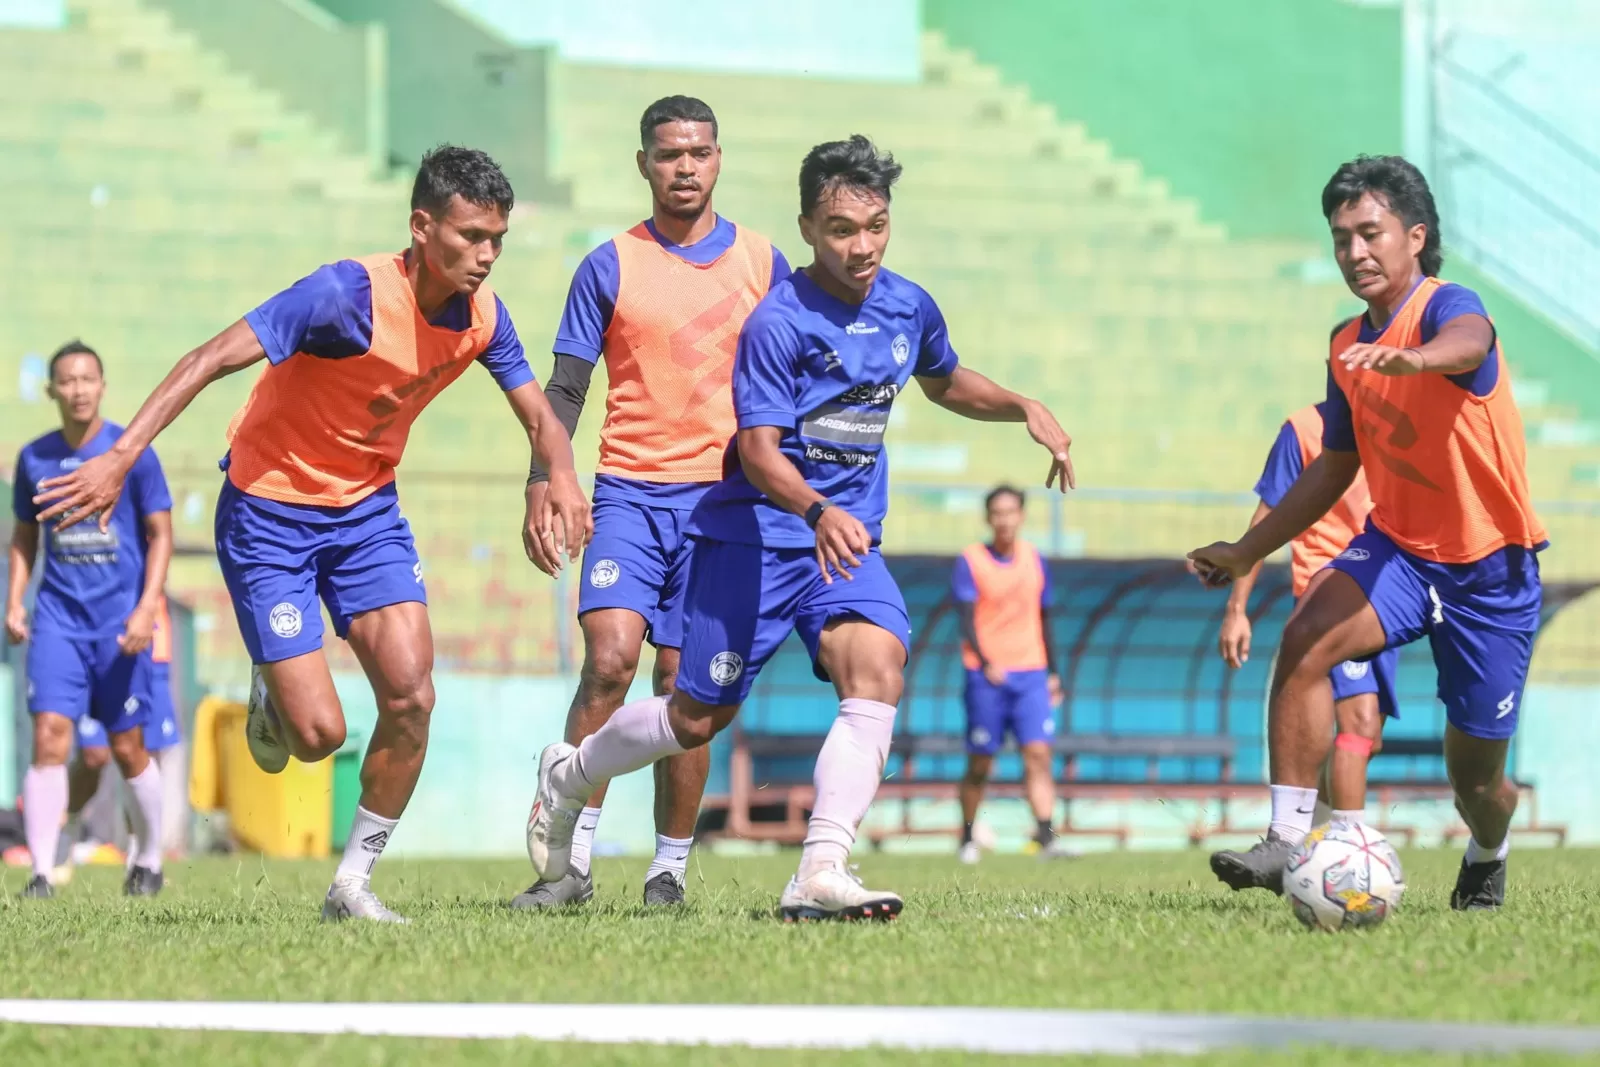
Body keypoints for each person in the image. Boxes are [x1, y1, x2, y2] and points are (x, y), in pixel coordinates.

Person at [31, 147, 592, 923]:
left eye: (497, 238)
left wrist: (554, 479)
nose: (486, 255)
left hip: (365, 514)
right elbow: (208, 358)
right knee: (320, 734)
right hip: (268, 512)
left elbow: (539, 414)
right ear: (422, 227)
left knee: (412, 695)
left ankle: (351, 885)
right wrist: (121, 458)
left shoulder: (482, 317)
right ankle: (273, 683)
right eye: (470, 236)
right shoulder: (342, 296)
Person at [523, 135, 1075, 921]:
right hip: (754, 539)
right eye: (843, 228)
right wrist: (818, 509)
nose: (863, 246)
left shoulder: (907, 304)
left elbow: (944, 377)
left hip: (841, 546)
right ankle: (571, 775)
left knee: (878, 663)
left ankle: (821, 866)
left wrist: (1023, 405)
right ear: (808, 228)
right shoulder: (778, 321)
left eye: (877, 225)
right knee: (694, 716)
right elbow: (755, 451)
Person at [1189, 155, 1546, 910]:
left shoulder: (1449, 308)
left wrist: (1413, 358)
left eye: (1370, 232)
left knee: (1476, 781)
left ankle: (1489, 848)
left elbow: (1472, 343)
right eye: (1341, 237)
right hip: (1401, 551)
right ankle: (1289, 839)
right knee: (1304, 637)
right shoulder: (1345, 342)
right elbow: (1333, 467)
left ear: (1415, 236)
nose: (1355, 252)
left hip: (1491, 570)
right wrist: (1246, 550)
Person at [512, 96, 789, 910]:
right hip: (630, 492)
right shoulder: (608, 264)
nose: (685, 167)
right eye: (669, 154)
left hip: (727, 505)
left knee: (684, 683)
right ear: (644, 163)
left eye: (700, 152)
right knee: (609, 660)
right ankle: (566, 862)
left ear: (718, 158)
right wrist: (542, 480)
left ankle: (668, 867)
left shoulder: (765, 264)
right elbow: (565, 388)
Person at [1209, 402, 1399, 893]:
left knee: (1366, 740)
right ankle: (1344, 863)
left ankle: (1309, 844)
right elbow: (1267, 515)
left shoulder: (1399, 419)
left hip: (1390, 589)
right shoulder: (1304, 429)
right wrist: (1237, 608)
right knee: (1356, 729)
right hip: (1327, 593)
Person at [7, 340, 173, 899]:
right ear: (52, 390)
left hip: (120, 624)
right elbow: (25, 538)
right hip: (58, 619)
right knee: (50, 736)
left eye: (87, 379)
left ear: (102, 386)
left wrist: (149, 605)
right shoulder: (34, 458)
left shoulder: (133, 452)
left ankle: (148, 859)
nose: (78, 389)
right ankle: (40, 872)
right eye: (67, 381)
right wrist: (15, 600)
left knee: (127, 748)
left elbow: (161, 534)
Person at [952, 485, 1063, 863]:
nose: (1004, 519)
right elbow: (965, 620)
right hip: (987, 677)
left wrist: (1054, 672)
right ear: (988, 518)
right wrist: (985, 663)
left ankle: (1046, 837)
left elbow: (1044, 618)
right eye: (997, 512)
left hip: (1031, 672)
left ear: (1021, 516)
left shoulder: (1035, 559)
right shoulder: (970, 560)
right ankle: (967, 836)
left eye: (1011, 511)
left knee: (1038, 754)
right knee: (981, 760)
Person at [62, 595, 185, 874]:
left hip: (149, 648)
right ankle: (65, 829)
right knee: (94, 756)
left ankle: (139, 856)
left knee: (142, 755)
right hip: (94, 641)